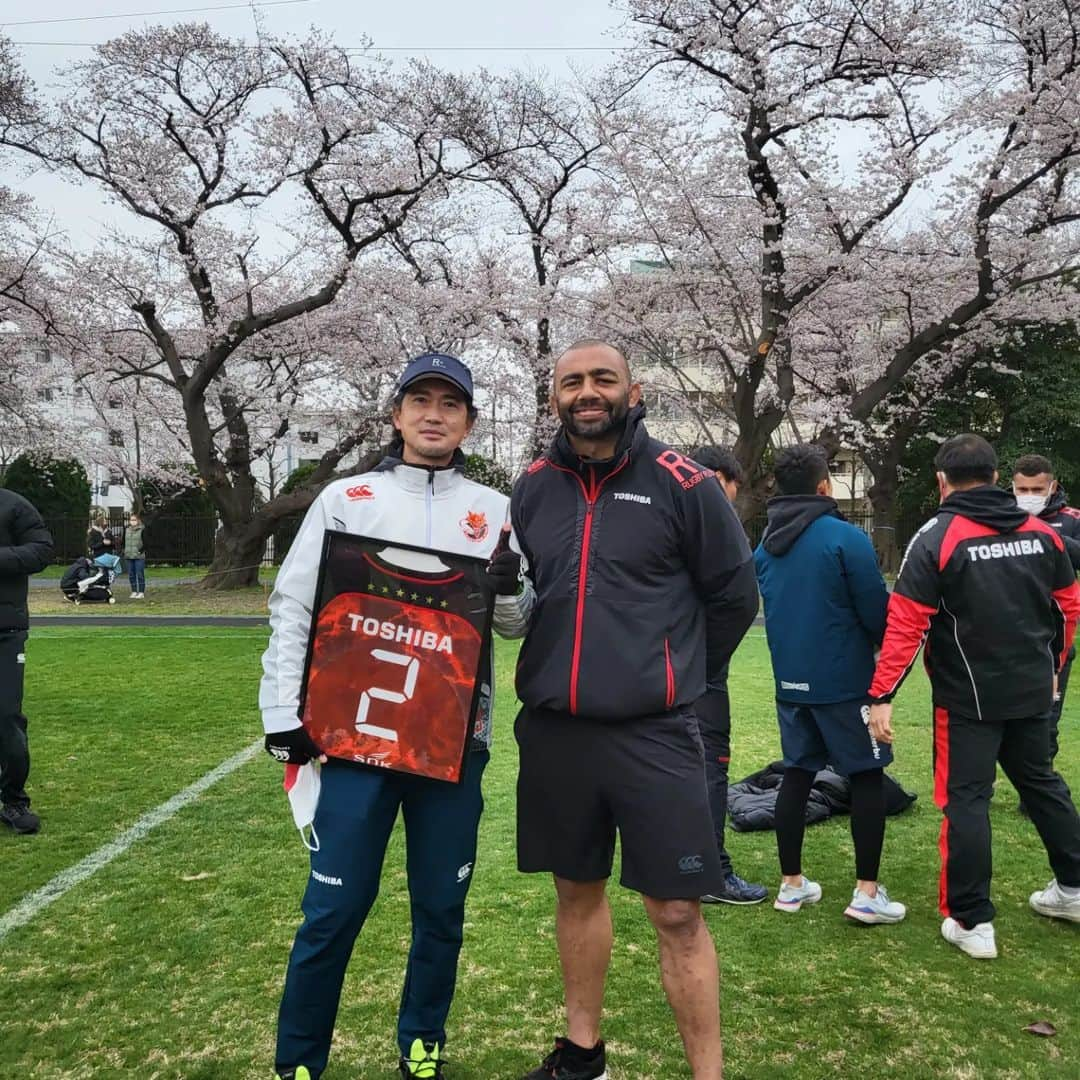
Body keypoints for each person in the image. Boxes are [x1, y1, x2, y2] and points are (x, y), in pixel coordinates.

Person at [260, 353, 532, 1080]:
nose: (434, 413)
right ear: (396, 414)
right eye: (420, 400)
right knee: (332, 913)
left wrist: (509, 591)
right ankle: (299, 1061)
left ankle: (422, 1038)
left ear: (469, 419)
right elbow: (293, 606)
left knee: (441, 909)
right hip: (354, 743)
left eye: (450, 403)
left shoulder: (500, 511)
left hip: (452, 747)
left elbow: (513, 624)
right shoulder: (347, 497)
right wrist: (281, 713)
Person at [511, 340, 758, 1080]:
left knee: (677, 912)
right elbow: (520, 599)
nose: (587, 393)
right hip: (557, 732)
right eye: (571, 382)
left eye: (602, 380)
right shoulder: (531, 487)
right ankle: (582, 1053)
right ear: (554, 397)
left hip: (656, 733)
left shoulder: (684, 482)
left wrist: (679, 676)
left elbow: (735, 596)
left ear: (633, 389)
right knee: (574, 890)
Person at [868, 434, 1080, 959]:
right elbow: (1068, 609)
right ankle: (1072, 889)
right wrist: (1054, 667)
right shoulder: (1042, 534)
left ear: (942, 481)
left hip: (969, 702)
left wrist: (881, 694)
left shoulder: (938, 535)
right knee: (1041, 784)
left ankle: (971, 920)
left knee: (967, 799)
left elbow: (905, 624)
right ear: (995, 477)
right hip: (1030, 691)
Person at [753, 445, 905, 924]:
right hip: (844, 683)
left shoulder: (763, 545)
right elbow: (876, 613)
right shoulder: (845, 538)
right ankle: (866, 893)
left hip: (790, 681)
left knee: (797, 773)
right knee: (865, 776)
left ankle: (792, 885)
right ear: (825, 487)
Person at [688, 445, 767, 905]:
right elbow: (739, 599)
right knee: (708, 764)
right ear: (720, 479)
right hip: (696, 669)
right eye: (733, 489)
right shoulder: (707, 526)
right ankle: (710, 870)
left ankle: (689, 862)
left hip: (673, 664)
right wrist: (706, 661)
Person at [1011, 454, 1080, 795]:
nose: (1029, 495)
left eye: (1036, 489)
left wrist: (1046, 538)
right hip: (1008, 635)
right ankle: (982, 782)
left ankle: (1037, 788)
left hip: (1054, 639)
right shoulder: (1001, 519)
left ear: (1052, 486)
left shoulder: (1070, 520)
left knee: (1046, 718)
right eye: (1022, 488)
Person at [0, 484, 55, 835]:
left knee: (6, 716)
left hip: (5, 629)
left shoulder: (14, 506)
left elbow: (42, 550)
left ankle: (14, 800)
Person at [123, 511, 147, 598]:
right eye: (131, 520)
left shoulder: (142, 530)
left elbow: (146, 542)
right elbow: (123, 541)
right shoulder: (126, 530)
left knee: (139, 574)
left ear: (138, 520)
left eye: (134, 520)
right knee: (131, 574)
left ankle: (141, 591)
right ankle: (133, 591)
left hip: (139, 556)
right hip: (129, 555)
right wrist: (124, 550)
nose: (132, 521)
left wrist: (141, 550)